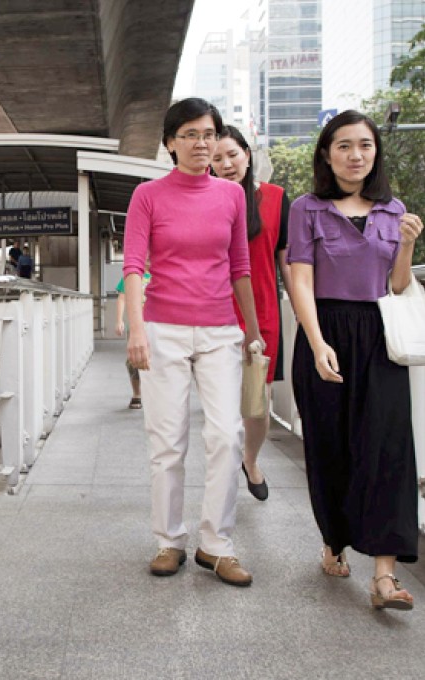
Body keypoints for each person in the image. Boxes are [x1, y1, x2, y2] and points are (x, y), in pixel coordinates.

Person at [124, 97, 262, 587]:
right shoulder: (148, 195)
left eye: (208, 133)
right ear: (170, 143)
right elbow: (134, 264)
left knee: (227, 435)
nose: (201, 143)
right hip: (163, 329)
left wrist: (254, 329)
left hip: (221, 329)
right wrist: (136, 330)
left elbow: (239, 267)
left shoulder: (230, 196)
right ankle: (169, 541)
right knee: (168, 441)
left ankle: (216, 545)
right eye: (189, 135)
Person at [288, 110, 422, 608]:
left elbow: (398, 286)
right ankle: (334, 540)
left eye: (364, 145)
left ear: (375, 152)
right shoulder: (307, 208)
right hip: (325, 330)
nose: (355, 155)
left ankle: (384, 576)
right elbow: (301, 277)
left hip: (379, 335)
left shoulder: (394, 210)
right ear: (327, 153)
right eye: (344, 145)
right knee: (331, 445)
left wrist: (407, 245)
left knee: (388, 448)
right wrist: (317, 340)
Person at [210, 125, 293, 502]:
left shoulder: (275, 199)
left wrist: (310, 318)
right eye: (217, 158)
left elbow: (287, 265)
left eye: (233, 155)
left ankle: (251, 458)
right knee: (222, 412)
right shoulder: (205, 200)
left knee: (257, 407)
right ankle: (223, 479)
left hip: (263, 318)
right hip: (214, 315)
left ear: (247, 153)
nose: (227, 164)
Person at [114, 271, 151, 409]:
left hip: (158, 323)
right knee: (134, 359)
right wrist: (119, 320)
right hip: (137, 325)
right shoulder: (131, 274)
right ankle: (137, 394)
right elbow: (122, 298)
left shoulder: (162, 270)